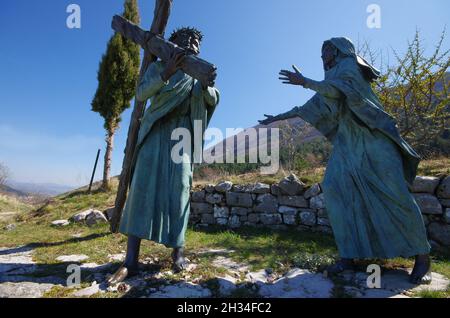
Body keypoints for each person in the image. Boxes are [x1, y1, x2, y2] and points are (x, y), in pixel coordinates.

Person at [260, 37, 432, 284]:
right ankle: (350, 255)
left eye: (327, 49)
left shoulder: (349, 67)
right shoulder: (329, 80)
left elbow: (340, 91)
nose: (323, 54)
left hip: (372, 138)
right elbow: (307, 107)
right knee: (336, 188)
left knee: (395, 193)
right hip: (347, 144)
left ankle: (422, 256)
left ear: (340, 50)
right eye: (321, 50)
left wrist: (306, 82)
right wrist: (275, 118)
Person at [108, 27, 219, 285]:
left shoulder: (200, 71)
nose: (192, 43)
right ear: (173, 42)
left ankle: (178, 254)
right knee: (141, 189)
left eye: (196, 41)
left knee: (180, 191)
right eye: (186, 38)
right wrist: (167, 73)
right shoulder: (158, 67)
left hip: (182, 137)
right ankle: (131, 261)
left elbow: (213, 99)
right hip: (156, 132)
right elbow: (141, 94)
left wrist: (206, 85)